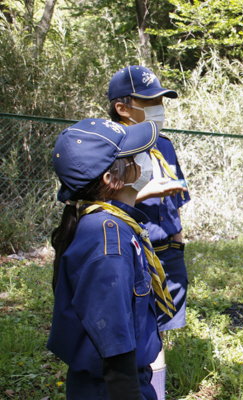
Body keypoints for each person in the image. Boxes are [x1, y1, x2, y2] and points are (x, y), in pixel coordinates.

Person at [47, 118, 175, 399]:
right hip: (110, 388)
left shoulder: (111, 225)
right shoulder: (108, 239)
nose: (143, 160)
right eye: (132, 156)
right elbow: (111, 335)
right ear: (112, 179)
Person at [107, 65, 191, 399]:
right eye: (149, 101)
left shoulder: (164, 145)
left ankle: (155, 392)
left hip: (167, 252)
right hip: (133, 251)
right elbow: (102, 202)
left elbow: (178, 200)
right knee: (137, 331)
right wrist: (145, 193)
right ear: (122, 107)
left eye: (160, 100)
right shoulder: (110, 148)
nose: (158, 107)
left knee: (157, 333)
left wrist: (179, 244)